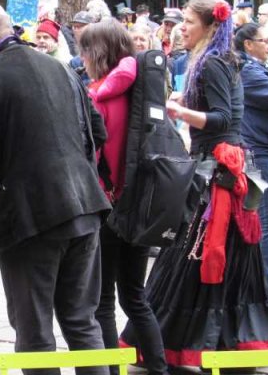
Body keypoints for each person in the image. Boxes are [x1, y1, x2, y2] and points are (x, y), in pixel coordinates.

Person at [122, 0, 268, 368]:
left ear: (210, 25)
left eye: (190, 22)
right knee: (208, 257)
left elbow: (223, 119)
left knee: (193, 253)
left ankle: (179, 343)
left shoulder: (213, 63)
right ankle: (221, 344)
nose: (182, 28)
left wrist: (179, 110)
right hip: (216, 168)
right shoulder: (210, 60)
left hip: (218, 171)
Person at [0, 0, 112, 375]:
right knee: (82, 321)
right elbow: (98, 133)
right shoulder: (61, 67)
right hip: (85, 208)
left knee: (34, 332)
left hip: (31, 220)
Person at [80, 19, 169, 375]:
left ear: (97, 52)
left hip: (108, 208)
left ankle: (112, 372)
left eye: (84, 49)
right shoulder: (141, 91)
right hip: (140, 206)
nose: (81, 56)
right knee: (135, 297)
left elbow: (92, 157)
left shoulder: (99, 96)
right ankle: (159, 370)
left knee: (102, 303)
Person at [235, 22, 268, 311]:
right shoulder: (249, 72)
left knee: (266, 222)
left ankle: (265, 287)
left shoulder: (256, 68)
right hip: (263, 153)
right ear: (248, 44)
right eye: (263, 41)